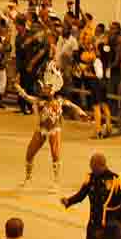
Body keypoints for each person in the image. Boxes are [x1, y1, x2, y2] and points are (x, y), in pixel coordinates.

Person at [15, 63, 89, 191]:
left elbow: (72, 105)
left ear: (53, 90)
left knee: (55, 154)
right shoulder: (39, 101)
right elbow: (27, 97)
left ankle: (56, 181)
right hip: (41, 129)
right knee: (29, 153)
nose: (43, 89)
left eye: (46, 88)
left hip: (55, 129)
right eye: (43, 87)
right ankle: (28, 178)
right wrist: (18, 88)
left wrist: (81, 112)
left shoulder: (59, 101)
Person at [62, 153, 121, 239]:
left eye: (93, 167)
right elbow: (82, 194)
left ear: (101, 165)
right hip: (93, 224)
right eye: (91, 166)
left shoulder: (115, 180)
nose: (91, 169)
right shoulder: (91, 178)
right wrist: (69, 201)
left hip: (108, 226)